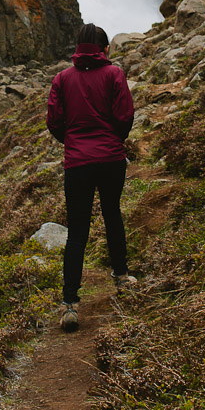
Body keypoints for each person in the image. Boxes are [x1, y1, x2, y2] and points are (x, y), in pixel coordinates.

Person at [46, 23, 136, 331]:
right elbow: (125, 116)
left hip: (77, 163)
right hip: (111, 159)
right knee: (113, 214)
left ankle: (70, 304)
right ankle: (122, 278)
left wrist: (73, 142)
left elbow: (54, 121)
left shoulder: (62, 79)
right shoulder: (114, 75)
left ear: (78, 49)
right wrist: (113, 139)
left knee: (77, 231)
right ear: (105, 49)